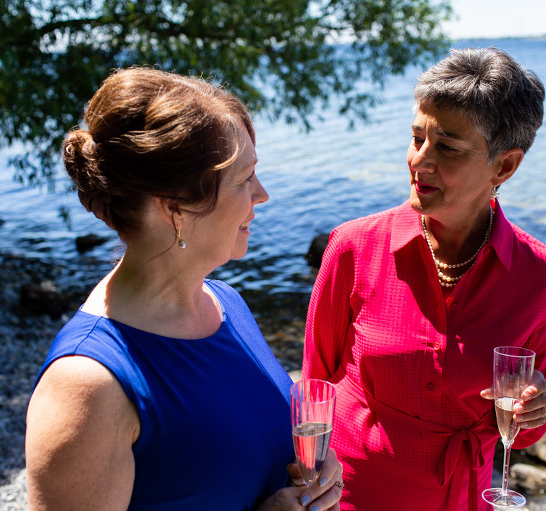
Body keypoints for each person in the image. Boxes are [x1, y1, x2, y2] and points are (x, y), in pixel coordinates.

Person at [25, 68, 343, 511]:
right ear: (173, 208)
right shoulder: (87, 387)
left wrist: (314, 471)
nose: (263, 195)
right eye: (245, 179)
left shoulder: (225, 303)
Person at [302, 47, 546, 511]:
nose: (419, 161)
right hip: (349, 496)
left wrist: (535, 406)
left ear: (504, 166)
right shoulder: (352, 247)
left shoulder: (540, 275)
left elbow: (527, 429)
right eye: (416, 137)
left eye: (447, 147)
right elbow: (313, 390)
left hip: (462, 500)